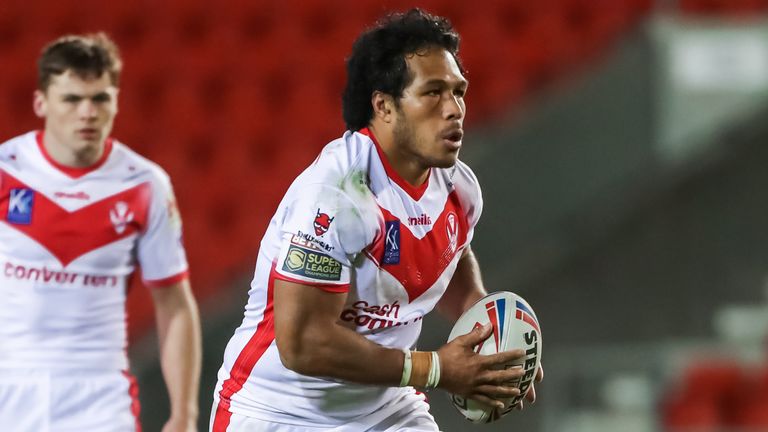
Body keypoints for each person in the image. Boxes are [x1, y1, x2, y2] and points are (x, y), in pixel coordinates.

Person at [210, 9, 542, 431]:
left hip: (386, 409)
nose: (454, 109)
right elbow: (304, 344)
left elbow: (448, 256)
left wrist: (494, 347)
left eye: (459, 92)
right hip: (279, 411)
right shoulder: (335, 195)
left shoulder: (458, 188)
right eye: (434, 92)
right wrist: (438, 369)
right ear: (383, 106)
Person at [0, 33, 202, 432]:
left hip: (99, 397)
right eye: (72, 99)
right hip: (10, 381)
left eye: (100, 98)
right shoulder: (6, 170)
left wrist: (184, 413)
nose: (88, 113)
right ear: (41, 103)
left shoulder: (146, 185)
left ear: (116, 102)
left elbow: (174, 304)